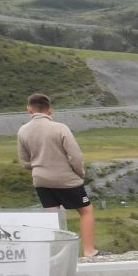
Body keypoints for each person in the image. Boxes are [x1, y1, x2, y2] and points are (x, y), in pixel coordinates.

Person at [15, 93, 97, 257]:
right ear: (50, 110)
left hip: (41, 181)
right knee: (86, 211)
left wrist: (37, 171)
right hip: (66, 180)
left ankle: (57, 255)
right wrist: (79, 174)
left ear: (29, 109)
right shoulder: (60, 128)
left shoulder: (23, 131)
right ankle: (89, 250)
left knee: (53, 218)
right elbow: (76, 156)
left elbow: (25, 161)